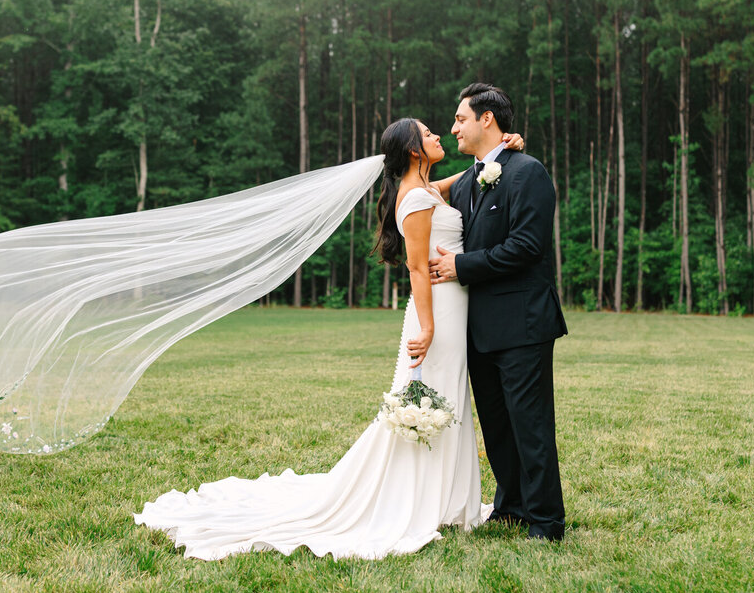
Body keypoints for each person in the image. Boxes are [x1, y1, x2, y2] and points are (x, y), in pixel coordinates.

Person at [133, 119, 526, 560]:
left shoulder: (426, 190)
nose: (438, 135)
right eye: (429, 133)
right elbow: (417, 267)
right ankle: (421, 500)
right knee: (434, 397)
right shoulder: (416, 197)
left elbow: (463, 179)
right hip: (436, 310)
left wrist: (499, 154)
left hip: (451, 306)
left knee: (446, 397)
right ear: (415, 150)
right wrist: (429, 328)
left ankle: (445, 499)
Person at [429, 83, 568, 542]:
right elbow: (419, 192)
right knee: (497, 426)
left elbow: (527, 247)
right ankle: (511, 507)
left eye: (460, 119)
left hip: (523, 323)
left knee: (531, 425)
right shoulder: (469, 180)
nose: (453, 128)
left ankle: (545, 521)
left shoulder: (529, 172)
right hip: (479, 328)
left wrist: (460, 266)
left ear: (486, 119)